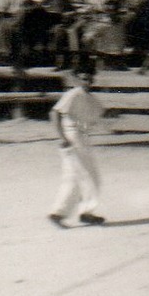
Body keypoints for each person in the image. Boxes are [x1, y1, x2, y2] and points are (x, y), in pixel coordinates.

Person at [48, 64, 107, 228]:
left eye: (89, 79)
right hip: (73, 136)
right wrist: (62, 137)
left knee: (74, 176)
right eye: (82, 78)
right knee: (89, 176)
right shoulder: (72, 94)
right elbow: (55, 113)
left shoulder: (91, 98)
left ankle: (60, 213)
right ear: (77, 79)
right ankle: (84, 212)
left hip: (83, 136)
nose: (86, 81)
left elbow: (99, 114)